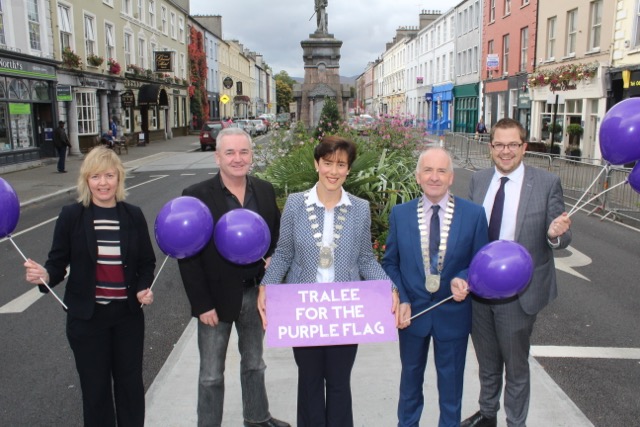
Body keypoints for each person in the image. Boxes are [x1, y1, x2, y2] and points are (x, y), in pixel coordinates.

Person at [257, 136, 397, 427]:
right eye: (328, 163)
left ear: (348, 169)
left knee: (338, 383)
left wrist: (390, 288)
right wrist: (265, 286)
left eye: (341, 164)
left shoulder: (359, 208)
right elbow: (283, 254)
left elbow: (365, 260)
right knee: (308, 383)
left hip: (344, 312)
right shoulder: (296, 204)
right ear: (317, 164)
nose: (333, 171)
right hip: (304, 311)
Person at [23, 145, 156, 426]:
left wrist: (143, 288)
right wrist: (45, 276)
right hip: (87, 319)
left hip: (127, 317)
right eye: (95, 177)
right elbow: (57, 263)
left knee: (130, 388)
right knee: (95, 392)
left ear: (119, 178)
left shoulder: (133, 215)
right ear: (86, 180)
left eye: (109, 175)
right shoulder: (72, 216)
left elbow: (146, 262)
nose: (103, 183)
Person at [456, 118, 572, 427]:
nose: (505, 152)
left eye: (512, 145)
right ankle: (487, 413)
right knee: (487, 361)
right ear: (490, 146)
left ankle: (515, 422)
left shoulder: (546, 183)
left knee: (516, 364)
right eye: (499, 145)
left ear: (524, 147)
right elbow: (470, 233)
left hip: (518, 293)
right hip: (480, 290)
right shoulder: (479, 181)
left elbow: (560, 236)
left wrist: (554, 233)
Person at [177, 127, 289, 427]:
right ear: (217, 157)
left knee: (255, 363)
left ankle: (257, 418)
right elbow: (187, 255)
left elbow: (276, 236)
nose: (237, 159)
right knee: (211, 374)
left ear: (252, 155)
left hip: (255, 294)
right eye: (230, 152)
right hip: (215, 299)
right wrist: (201, 305)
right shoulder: (197, 195)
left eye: (243, 152)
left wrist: (272, 257)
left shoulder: (264, 191)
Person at [382, 147, 489, 427]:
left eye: (441, 171)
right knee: (409, 386)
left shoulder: (474, 215)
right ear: (418, 177)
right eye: (428, 170)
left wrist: (463, 277)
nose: (434, 177)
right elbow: (390, 263)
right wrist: (401, 298)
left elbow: (481, 262)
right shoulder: (401, 214)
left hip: (453, 313)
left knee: (451, 390)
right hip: (412, 314)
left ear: (451, 177)